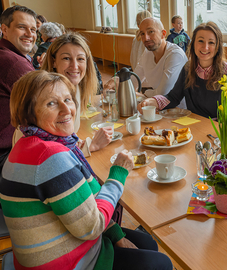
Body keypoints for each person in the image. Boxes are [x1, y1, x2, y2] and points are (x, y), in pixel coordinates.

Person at [0, 70, 173, 270]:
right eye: (51, 103)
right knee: (161, 263)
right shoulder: (50, 157)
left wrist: (117, 236)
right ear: (28, 112)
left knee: (147, 243)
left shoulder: (26, 143)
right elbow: (92, 226)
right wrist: (118, 174)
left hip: (52, 249)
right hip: (74, 262)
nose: (67, 110)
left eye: (67, 99)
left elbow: (82, 203)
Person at [138, 21, 227, 119]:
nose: (205, 47)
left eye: (211, 42)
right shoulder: (188, 68)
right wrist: (153, 101)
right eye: (200, 41)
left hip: (218, 131)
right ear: (193, 44)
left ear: (218, 46)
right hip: (194, 126)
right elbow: (173, 97)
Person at [40, 32, 108, 156]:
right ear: (53, 61)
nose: (74, 66)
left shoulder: (76, 89)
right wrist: (91, 146)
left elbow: (65, 140)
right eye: (66, 58)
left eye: (80, 59)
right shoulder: (45, 95)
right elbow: (52, 154)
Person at [0, 5, 36, 170]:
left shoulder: (9, 54)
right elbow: (44, 102)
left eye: (34, 29)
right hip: (6, 154)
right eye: (22, 27)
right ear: (4, 29)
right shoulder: (12, 61)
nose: (30, 34)